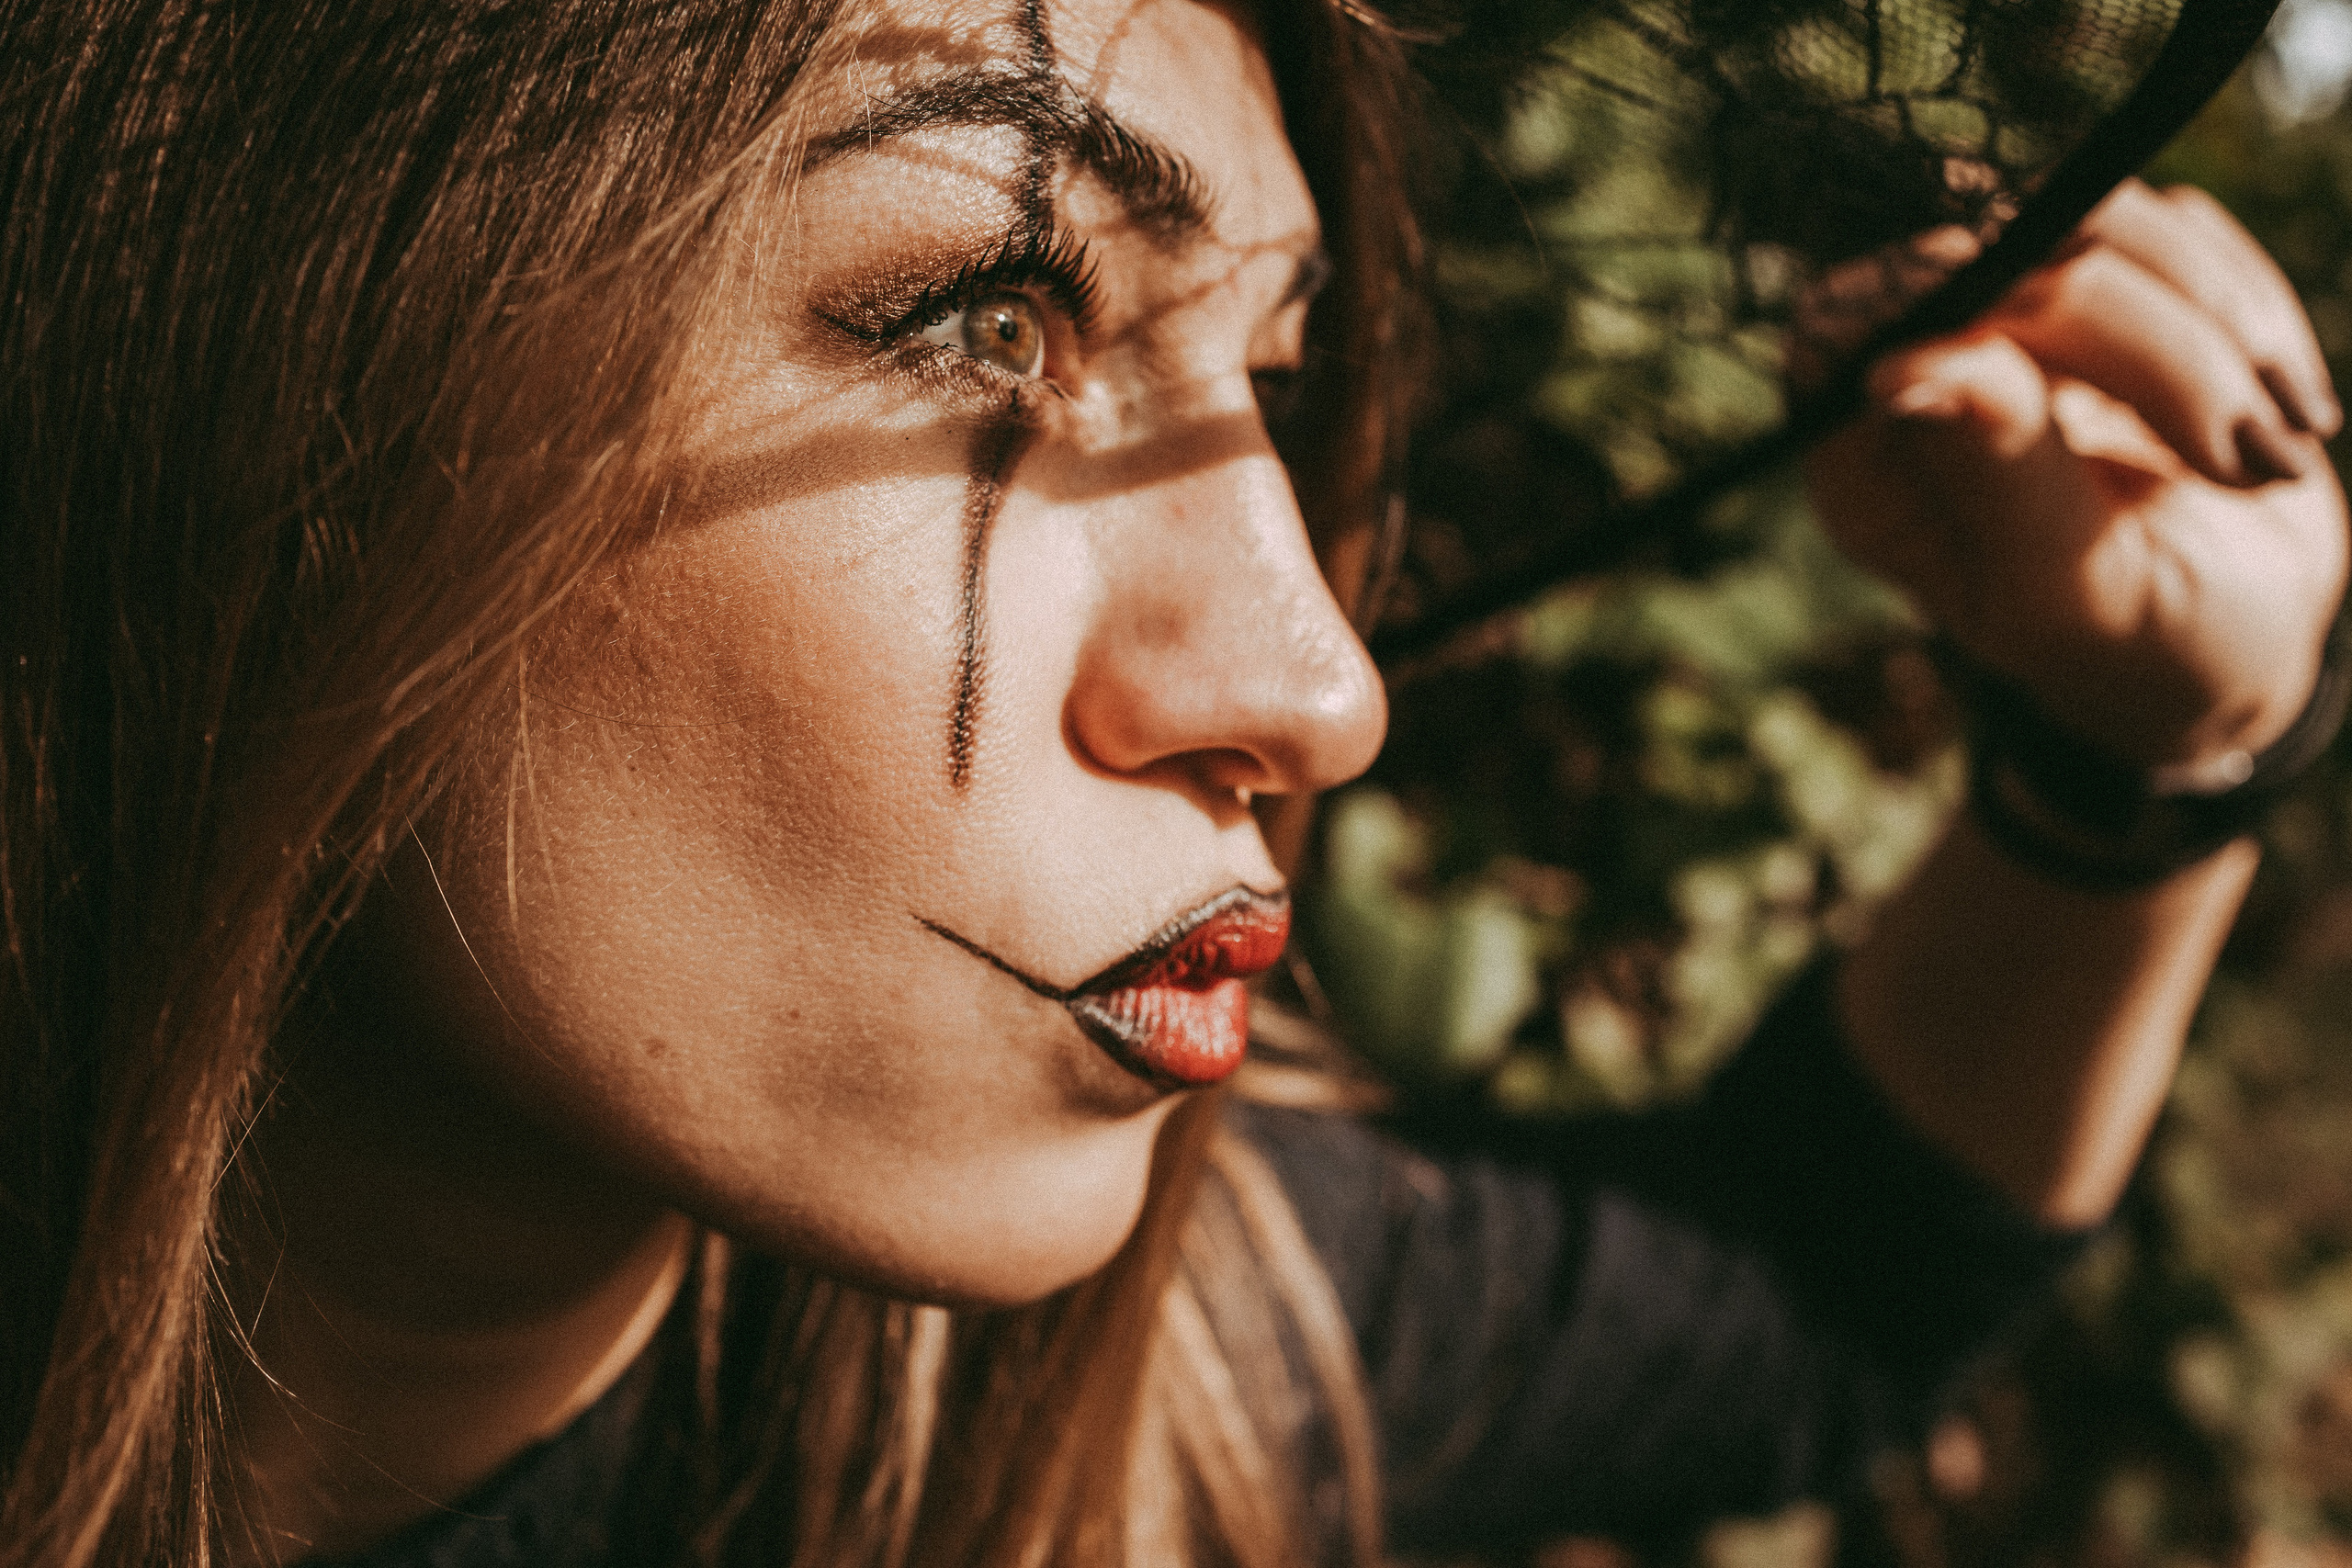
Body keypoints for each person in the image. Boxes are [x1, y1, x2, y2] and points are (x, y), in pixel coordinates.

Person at [1, 1, 2343, 1564]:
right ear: (248, 362)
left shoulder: (1118, 1406)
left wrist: (2140, 753)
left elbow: (1806, 1288)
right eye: (986, 319)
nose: (1314, 687)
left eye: (1280, 373)